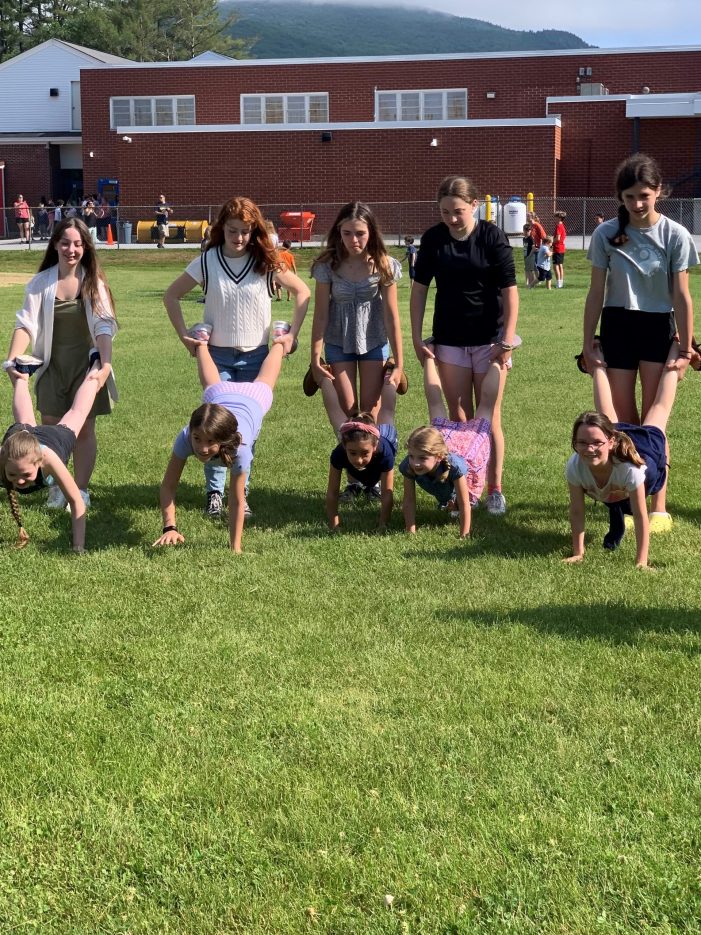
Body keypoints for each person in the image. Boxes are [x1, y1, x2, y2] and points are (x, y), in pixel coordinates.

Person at [163, 195, 310, 519]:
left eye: (245, 231)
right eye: (232, 231)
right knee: (214, 427)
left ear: (254, 230)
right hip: (217, 357)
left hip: (257, 355)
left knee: (246, 430)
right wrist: (184, 336)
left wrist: (291, 335)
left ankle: (240, 494)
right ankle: (215, 494)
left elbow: (303, 291)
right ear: (222, 230)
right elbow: (171, 295)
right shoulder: (208, 260)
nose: (239, 238)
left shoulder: (266, 260)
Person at [581, 152, 698, 530]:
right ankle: (631, 503)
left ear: (659, 192)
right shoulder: (605, 234)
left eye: (644, 195)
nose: (637, 203)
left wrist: (687, 344)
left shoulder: (674, 234)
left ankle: (658, 505)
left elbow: (681, 295)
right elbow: (595, 292)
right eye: (629, 197)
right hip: (617, 325)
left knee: (654, 420)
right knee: (621, 420)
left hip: (656, 326)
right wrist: (587, 342)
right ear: (621, 196)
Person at [409, 175, 518, 516]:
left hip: (490, 340)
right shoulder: (433, 239)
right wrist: (416, 336)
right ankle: (463, 488)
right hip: (450, 340)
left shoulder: (491, 236)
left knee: (489, 419)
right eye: (445, 212)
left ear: (474, 205)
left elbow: (510, 291)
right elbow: (419, 291)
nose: (452, 218)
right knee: (457, 419)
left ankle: (494, 488)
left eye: (458, 211)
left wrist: (506, 340)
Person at [3, 218, 117, 509]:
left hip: (85, 367)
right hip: (51, 367)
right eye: (65, 242)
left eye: (78, 244)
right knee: (52, 429)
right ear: (55, 244)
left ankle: (80, 489)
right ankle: (57, 488)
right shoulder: (41, 283)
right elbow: (25, 324)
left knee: (85, 429)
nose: (71, 249)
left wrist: (104, 364)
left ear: (85, 247)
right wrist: (12, 361)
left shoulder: (94, 282)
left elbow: (104, 325)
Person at [154, 339, 286, 554]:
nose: (202, 449)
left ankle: (281, 341)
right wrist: (170, 527)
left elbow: (235, 500)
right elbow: (168, 485)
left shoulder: (240, 449)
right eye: (198, 439)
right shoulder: (187, 435)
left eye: (210, 442)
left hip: (251, 400)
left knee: (265, 381)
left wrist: (235, 548)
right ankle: (201, 342)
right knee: (211, 385)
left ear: (224, 440)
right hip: (220, 395)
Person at [564, 349, 683, 569]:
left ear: (610, 442)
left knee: (659, 409)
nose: (589, 449)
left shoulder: (630, 470)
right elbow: (577, 511)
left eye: (596, 443)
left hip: (647, 452)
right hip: (616, 447)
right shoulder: (575, 466)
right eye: (581, 443)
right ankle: (596, 361)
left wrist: (641, 561)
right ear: (574, 443)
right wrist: (578, 552)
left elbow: (639, 516)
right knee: (604, 413)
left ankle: (676, 359)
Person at [306, 201, 405, 421]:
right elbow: (321, 315)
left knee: (370, 412)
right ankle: (349, 454)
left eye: (360, 233)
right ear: (338, 232)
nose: (354, 240)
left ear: (371, 232)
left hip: (374, 340)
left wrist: (399, 363)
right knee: (348, 410)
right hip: (338, 340)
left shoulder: (384, 264)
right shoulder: (327, 265)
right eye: (347, 233)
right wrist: (314, 359)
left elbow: (391, 317)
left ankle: (374, 455)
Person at [1, 353, 109, 551]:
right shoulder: (5, 455)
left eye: (25, 474)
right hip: (18, 437)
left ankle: (96, 365)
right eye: (12, 474)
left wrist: (78, 546)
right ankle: (23, 374)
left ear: (39, 462)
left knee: (77, 413)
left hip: (52, 441)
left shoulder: (49, 458)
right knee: (23, 420)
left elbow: (76, 501)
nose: (20, 481)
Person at [401, 350, 502, 538]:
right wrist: (410, 530)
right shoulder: (411, 463)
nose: (415, 463)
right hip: (444, 440)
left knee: (487, 405)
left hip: (471, 445)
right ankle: (429, 356)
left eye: (421, 458)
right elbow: (408, 501)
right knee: (434, 404)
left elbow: (465, 504)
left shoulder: (456, 467)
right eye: (412, 457)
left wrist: (464, 535)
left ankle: (498, 360)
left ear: (439, 456)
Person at [319, 374, 397, 530]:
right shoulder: (339, 453)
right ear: (344, 445)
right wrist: (334, 525)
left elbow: (387, 494)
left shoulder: (385, 453)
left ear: (374, 447)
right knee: (335, 411)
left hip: (386, 436)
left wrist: (383, 524)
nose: (359, 460)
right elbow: (332, 492)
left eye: (364, 453)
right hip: (360, 437)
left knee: (386, 412)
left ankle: (390, 375)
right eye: (353, 453)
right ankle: (323, 377)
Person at [552, 211, 567, 288]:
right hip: (562, 248)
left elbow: (557, 238)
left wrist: (551, 242)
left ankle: (558, 283)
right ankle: (561, 282)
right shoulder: (562, 226)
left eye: (556, 217)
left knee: (555, 266)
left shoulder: (558, 226)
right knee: (560, 265)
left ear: (560, 218)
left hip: (557, 248)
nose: (554, 218)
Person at [522, 222, 537, 288]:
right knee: (527, 270)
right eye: (526, 230)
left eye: (528, 230)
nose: (527, 232)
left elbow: (533, 248)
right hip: (526, 256)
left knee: (531, 271)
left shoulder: (531, 238)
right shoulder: (524, 238)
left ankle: (532, 284)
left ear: (530, 231)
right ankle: (529, 284)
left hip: (530, 256)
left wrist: (529, 256)